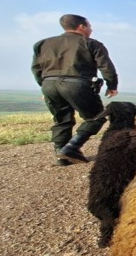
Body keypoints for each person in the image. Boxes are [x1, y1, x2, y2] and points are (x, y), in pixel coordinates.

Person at [31, 14, 118, 166]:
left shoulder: (42, 44)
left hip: (49, 84)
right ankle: (71, 147)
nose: (91, 29)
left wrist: (44, 88)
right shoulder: (90, 43)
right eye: (89, 26)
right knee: (96, 116)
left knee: (61, 120)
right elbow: (106, 67)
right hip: (78, 84)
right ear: (81, 27)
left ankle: (61, 156)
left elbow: (36, 68)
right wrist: (112, 85)